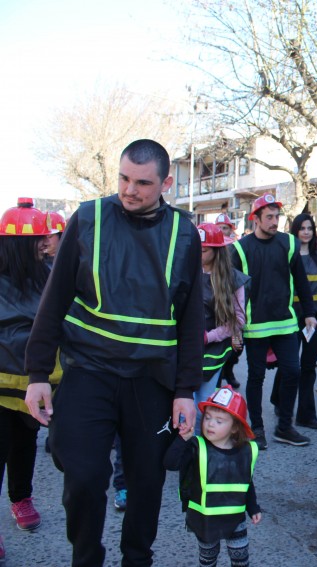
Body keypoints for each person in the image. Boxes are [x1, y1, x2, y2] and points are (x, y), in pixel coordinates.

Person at [24, 139, 205, 567]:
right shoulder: (87, 219)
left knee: (147, 484)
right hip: (90, 371)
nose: (129, 189)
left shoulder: (184, 233)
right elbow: (54, 299)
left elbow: (191, 321)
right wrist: (36, 375)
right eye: (124, 178)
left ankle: (136, 559)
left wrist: (186, 391)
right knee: (83, 478)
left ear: (165, 183)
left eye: (143, 182)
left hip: (152, 380)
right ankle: (86, 558)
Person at [230, 194, 317, 449]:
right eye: (268, 217)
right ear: (255, 219)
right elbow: (229, 287)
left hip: (286, 321)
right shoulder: (239, 248)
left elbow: (301, 281)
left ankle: (284, 427)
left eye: (277, 216)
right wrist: (234, 324)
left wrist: (310, 312)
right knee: (256, 376)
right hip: (254, 323)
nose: (274, 221)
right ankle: (256, 428)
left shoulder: (288, 243)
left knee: (293, 370)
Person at [0, 202, 59, 556]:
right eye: (37, 238)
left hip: (35, 387)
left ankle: (21, 498)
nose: (45, 244)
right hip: (2, 388)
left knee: (24, 445)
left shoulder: (50, 273)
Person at [164, 386, 261, 567]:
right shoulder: (197, 448)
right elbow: (170, 464)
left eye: (219, 421)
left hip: (235, 517)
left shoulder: (245, 451)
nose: (210, 424)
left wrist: (253, 507)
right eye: (208, 418)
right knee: (208, 559)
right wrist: (182, 440)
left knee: (240, 558)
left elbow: (246, 482)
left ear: (234, 428)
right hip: (205, 518)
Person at [280, 214, 317, 431]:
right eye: (302, 228)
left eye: (310, 228)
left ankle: (306, 415)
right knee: (290, 367)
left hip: (316, 319)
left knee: (308, 368)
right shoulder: (286, 257)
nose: (306, 232)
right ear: (295, 231)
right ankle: (281, 405)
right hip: (291, 319)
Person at [195, 223, 248, 434]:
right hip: (185, 349)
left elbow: (238, 319)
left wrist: (209, 337)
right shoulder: (185, 273)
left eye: (204, 250)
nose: (198, 254)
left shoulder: (233, 278)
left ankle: (199, 455)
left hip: (213, 350)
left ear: (217, 251)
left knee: (202, 405)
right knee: (184, 405)